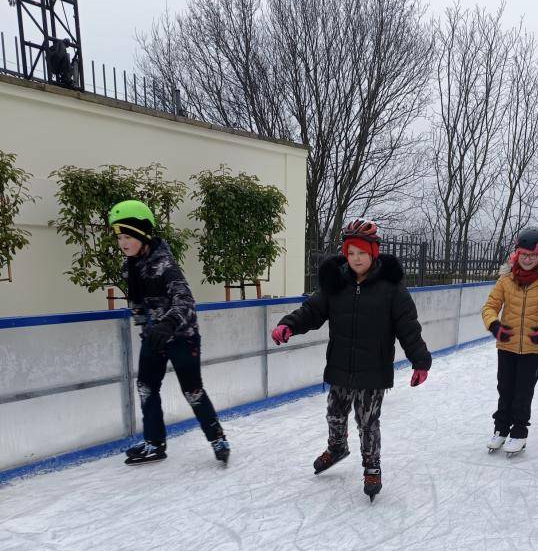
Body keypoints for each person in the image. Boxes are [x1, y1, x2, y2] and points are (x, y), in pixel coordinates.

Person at [270, 219, 431, 501]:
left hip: (374, 370)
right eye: (351, 253)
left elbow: (409, 328)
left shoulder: (392, 290)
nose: (356, 259)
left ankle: (372, 466)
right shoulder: (336, 284)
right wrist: (289, 325)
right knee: (334, 414)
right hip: (340, 366)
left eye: (362, 253)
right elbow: (312, 311)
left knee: (367, 422)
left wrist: (420, 362)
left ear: (373, 253)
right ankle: (336, 448)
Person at [109, 200, 230, 465]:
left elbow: (185, 301)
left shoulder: (164, 264)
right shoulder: (132, 265)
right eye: (120, 237)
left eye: (128, 236)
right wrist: (145, 326)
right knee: (145, 388)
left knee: (192, 391)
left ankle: (218, 439)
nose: (123, 243)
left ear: (142, 234)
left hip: (182, 336)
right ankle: (154, 443)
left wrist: (166, 324)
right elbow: (137, 302)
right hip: (154, 338)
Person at [481, 227, 538, 455]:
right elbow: (490, 307)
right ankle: (501, 429)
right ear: (517, 254)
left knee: (523, 392)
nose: (527, 259)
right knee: (505, 389)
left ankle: (519, 432)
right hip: (506, 346)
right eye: (524, 254)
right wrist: (495, 326)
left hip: (531, 348)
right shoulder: (506, 281)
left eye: (533, 255)